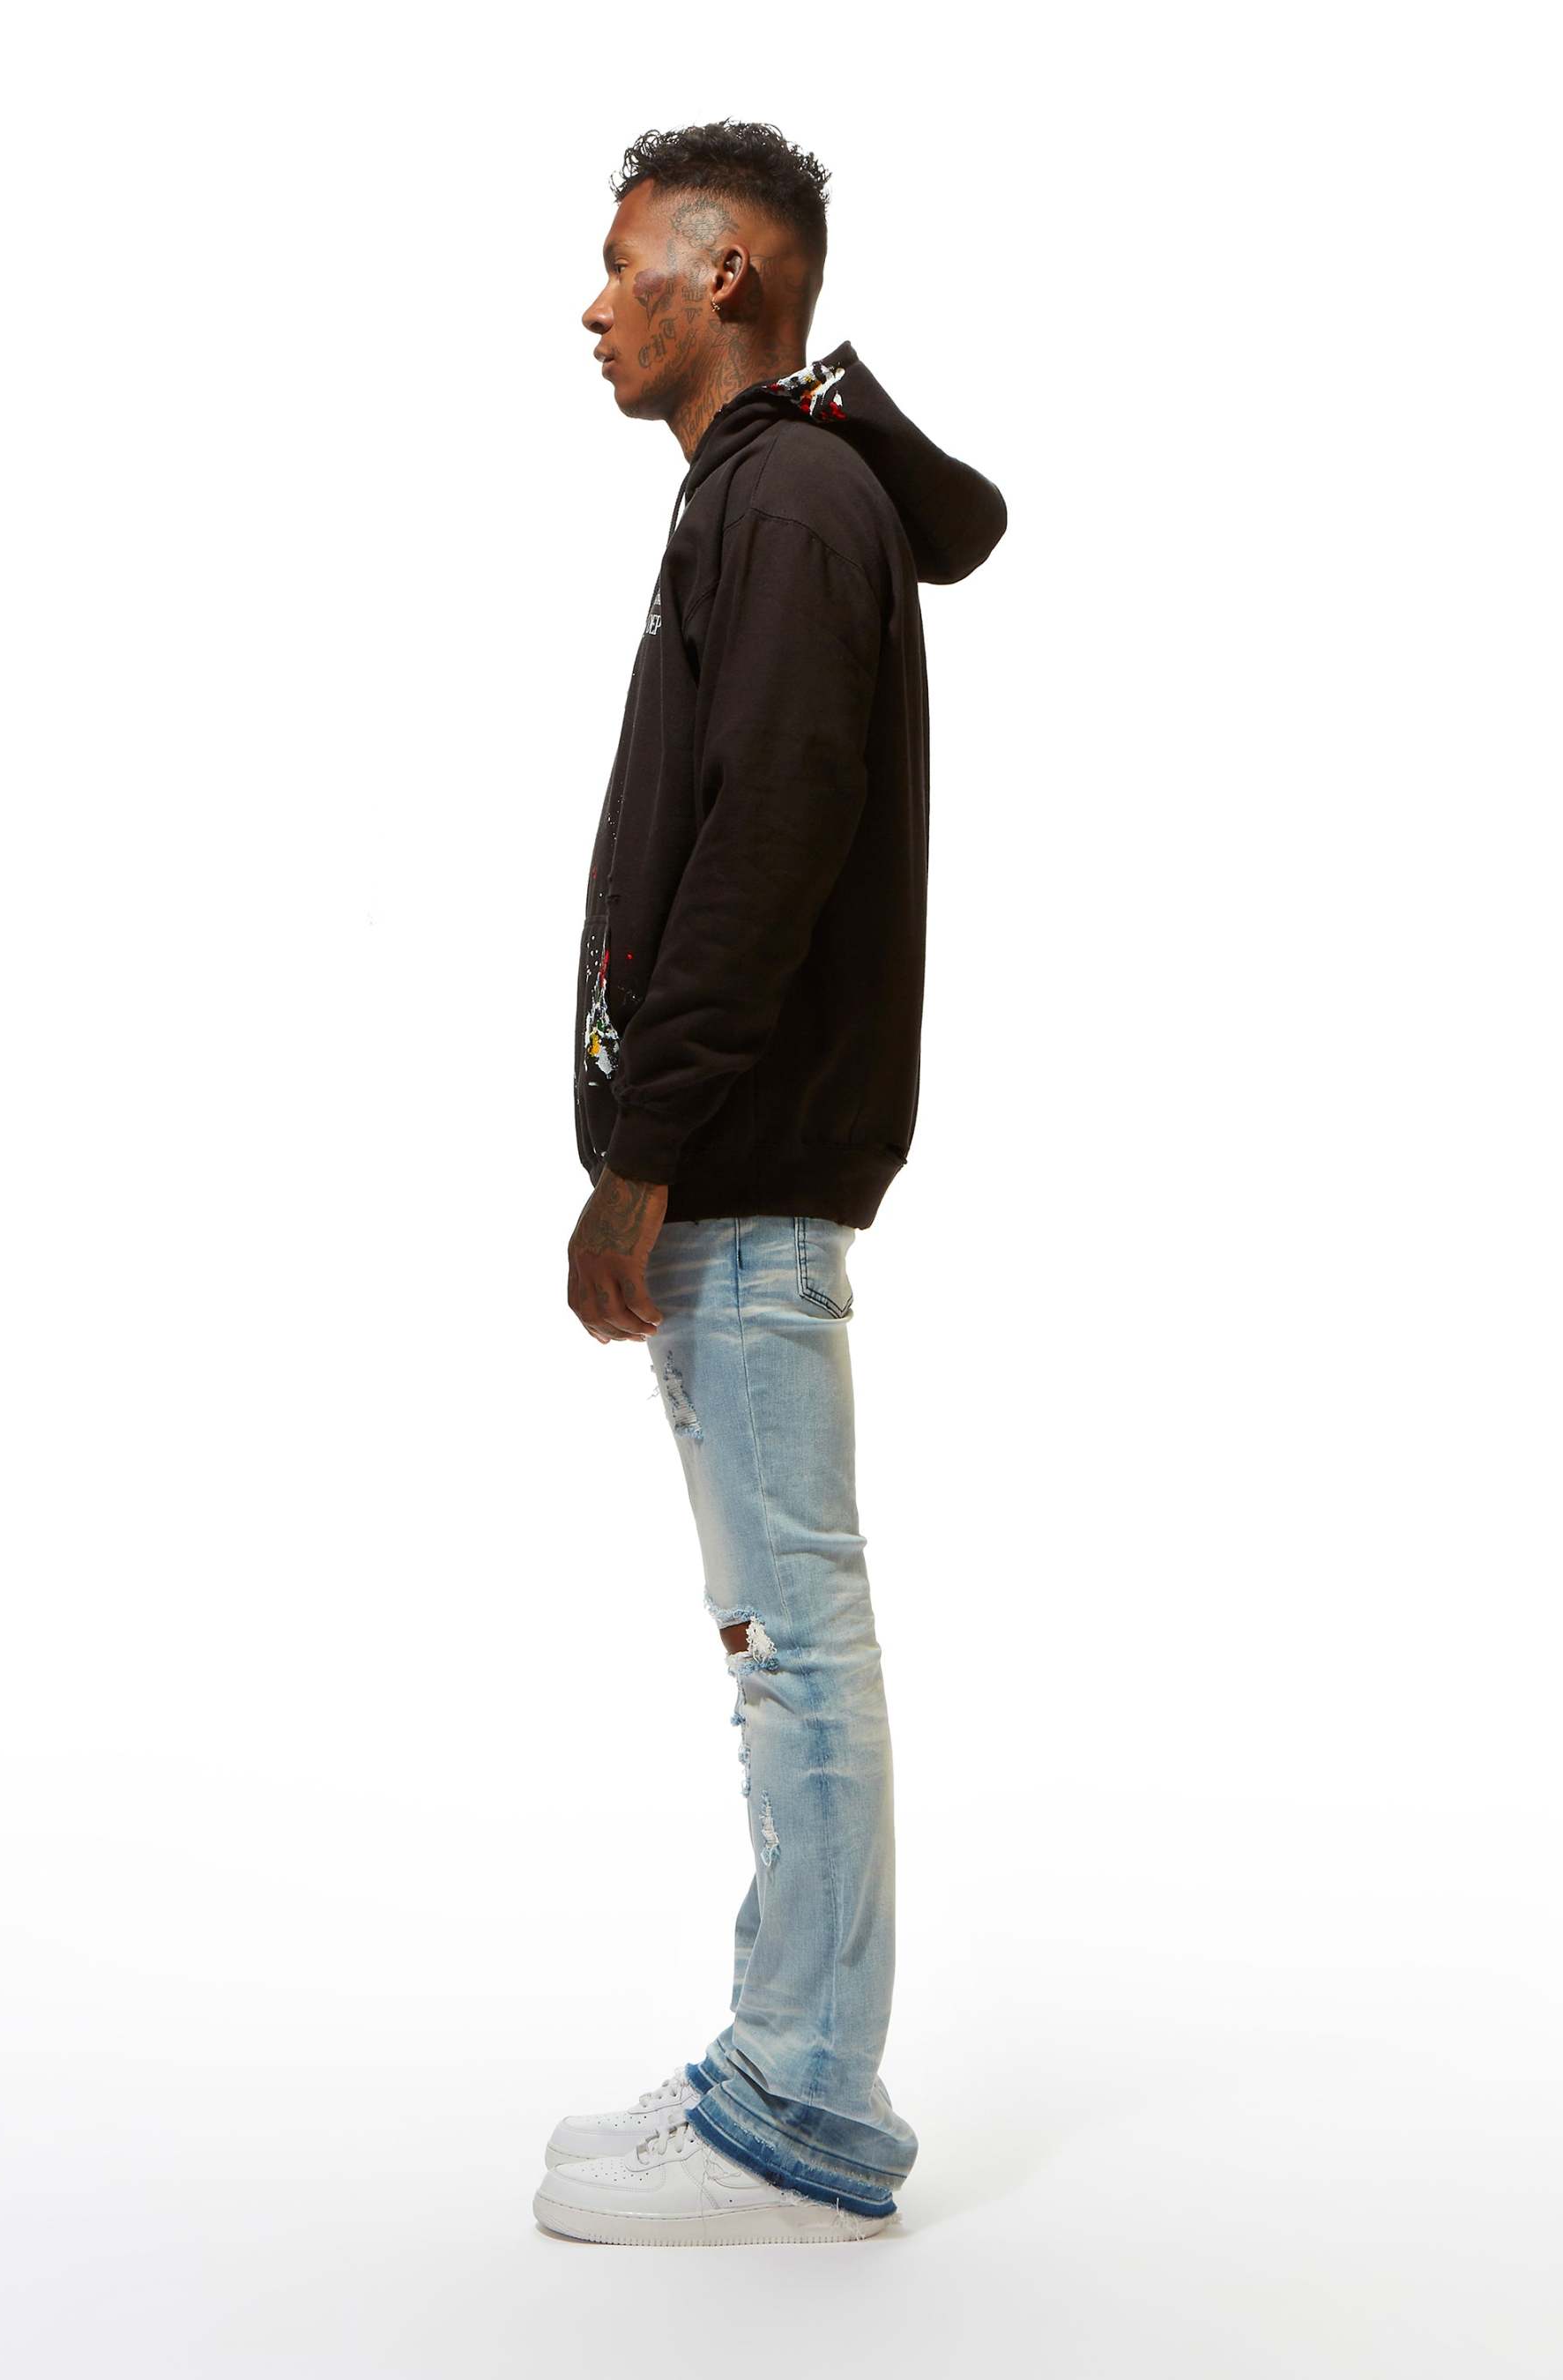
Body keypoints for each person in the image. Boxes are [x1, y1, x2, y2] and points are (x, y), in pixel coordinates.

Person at [540, 119, 1008, 2249]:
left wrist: (641, 1161)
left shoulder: (792, 504)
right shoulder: (776, 494)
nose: (592, 305)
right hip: (728, 1164)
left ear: (726, 276)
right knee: (778, 1639)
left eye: (625, 261)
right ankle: (779, 2055)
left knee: (794, 1645)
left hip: (737, 1169)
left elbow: (769, 838)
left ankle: (807, 2110)